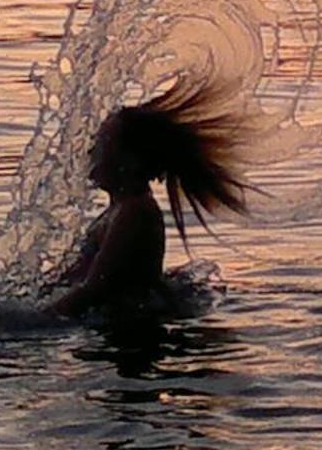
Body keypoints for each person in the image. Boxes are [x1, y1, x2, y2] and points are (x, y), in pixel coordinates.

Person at [49, 78, 255, 318]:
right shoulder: (118, 209)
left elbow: (94, 293)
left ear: (130, 161)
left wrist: (30, 324)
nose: (90, 152)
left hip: (128, 343)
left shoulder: (136, 213)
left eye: (103, 145)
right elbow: (73, 280)